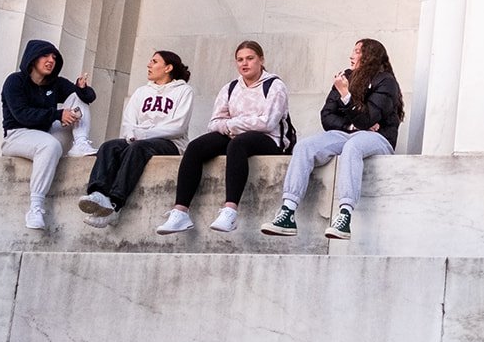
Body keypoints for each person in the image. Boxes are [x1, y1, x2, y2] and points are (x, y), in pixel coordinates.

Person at [261, 38, 403, 241]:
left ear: (369, 56)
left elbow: (369, 118)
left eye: (357, 51)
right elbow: (327, 116)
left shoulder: (385, 81)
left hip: (379, 138)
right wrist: (351, 125)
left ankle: (344, 215)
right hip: (347, 133)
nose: (351, 55)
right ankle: (288, 211)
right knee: (305, 146)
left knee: (353, 147)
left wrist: (346, 95)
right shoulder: (345, 77)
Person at [155, 41, 289, 235]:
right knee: (196, 147)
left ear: (261, 60)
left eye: (250, 58)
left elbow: (267, 123)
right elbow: (214, 122)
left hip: (269, 139)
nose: (245, 63)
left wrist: (232, 124)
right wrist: (232, 125)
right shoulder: (231, 87)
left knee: (238, 144)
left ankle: (230, 211)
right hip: (234, 134)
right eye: (240, 60)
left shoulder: (275, 86)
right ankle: (180, 212)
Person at [77, 51, 194, 227]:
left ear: (168, 68)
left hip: (170, 142)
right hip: (138, 138)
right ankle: (99, 194)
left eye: (154, 61)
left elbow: (178, 126)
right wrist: (133, 134)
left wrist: (144, 134)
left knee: (137, 148)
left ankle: (115, 205)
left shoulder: (184, 91)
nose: (148, 65)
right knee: (109, 146)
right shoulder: (142, 91)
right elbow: (128, 121)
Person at [0, 39, 98, 229]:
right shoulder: (15, 81)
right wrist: (58, 114)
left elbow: (87, 98)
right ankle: (35, 209)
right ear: (33, 59)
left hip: (45, 133)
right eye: (45, 56)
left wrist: (83, 89)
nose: (50, 60)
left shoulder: (56, 83)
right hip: (17, 135)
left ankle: (81, 143)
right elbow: (22, 115)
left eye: (54, 57)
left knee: (76, 97)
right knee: (50, 145)